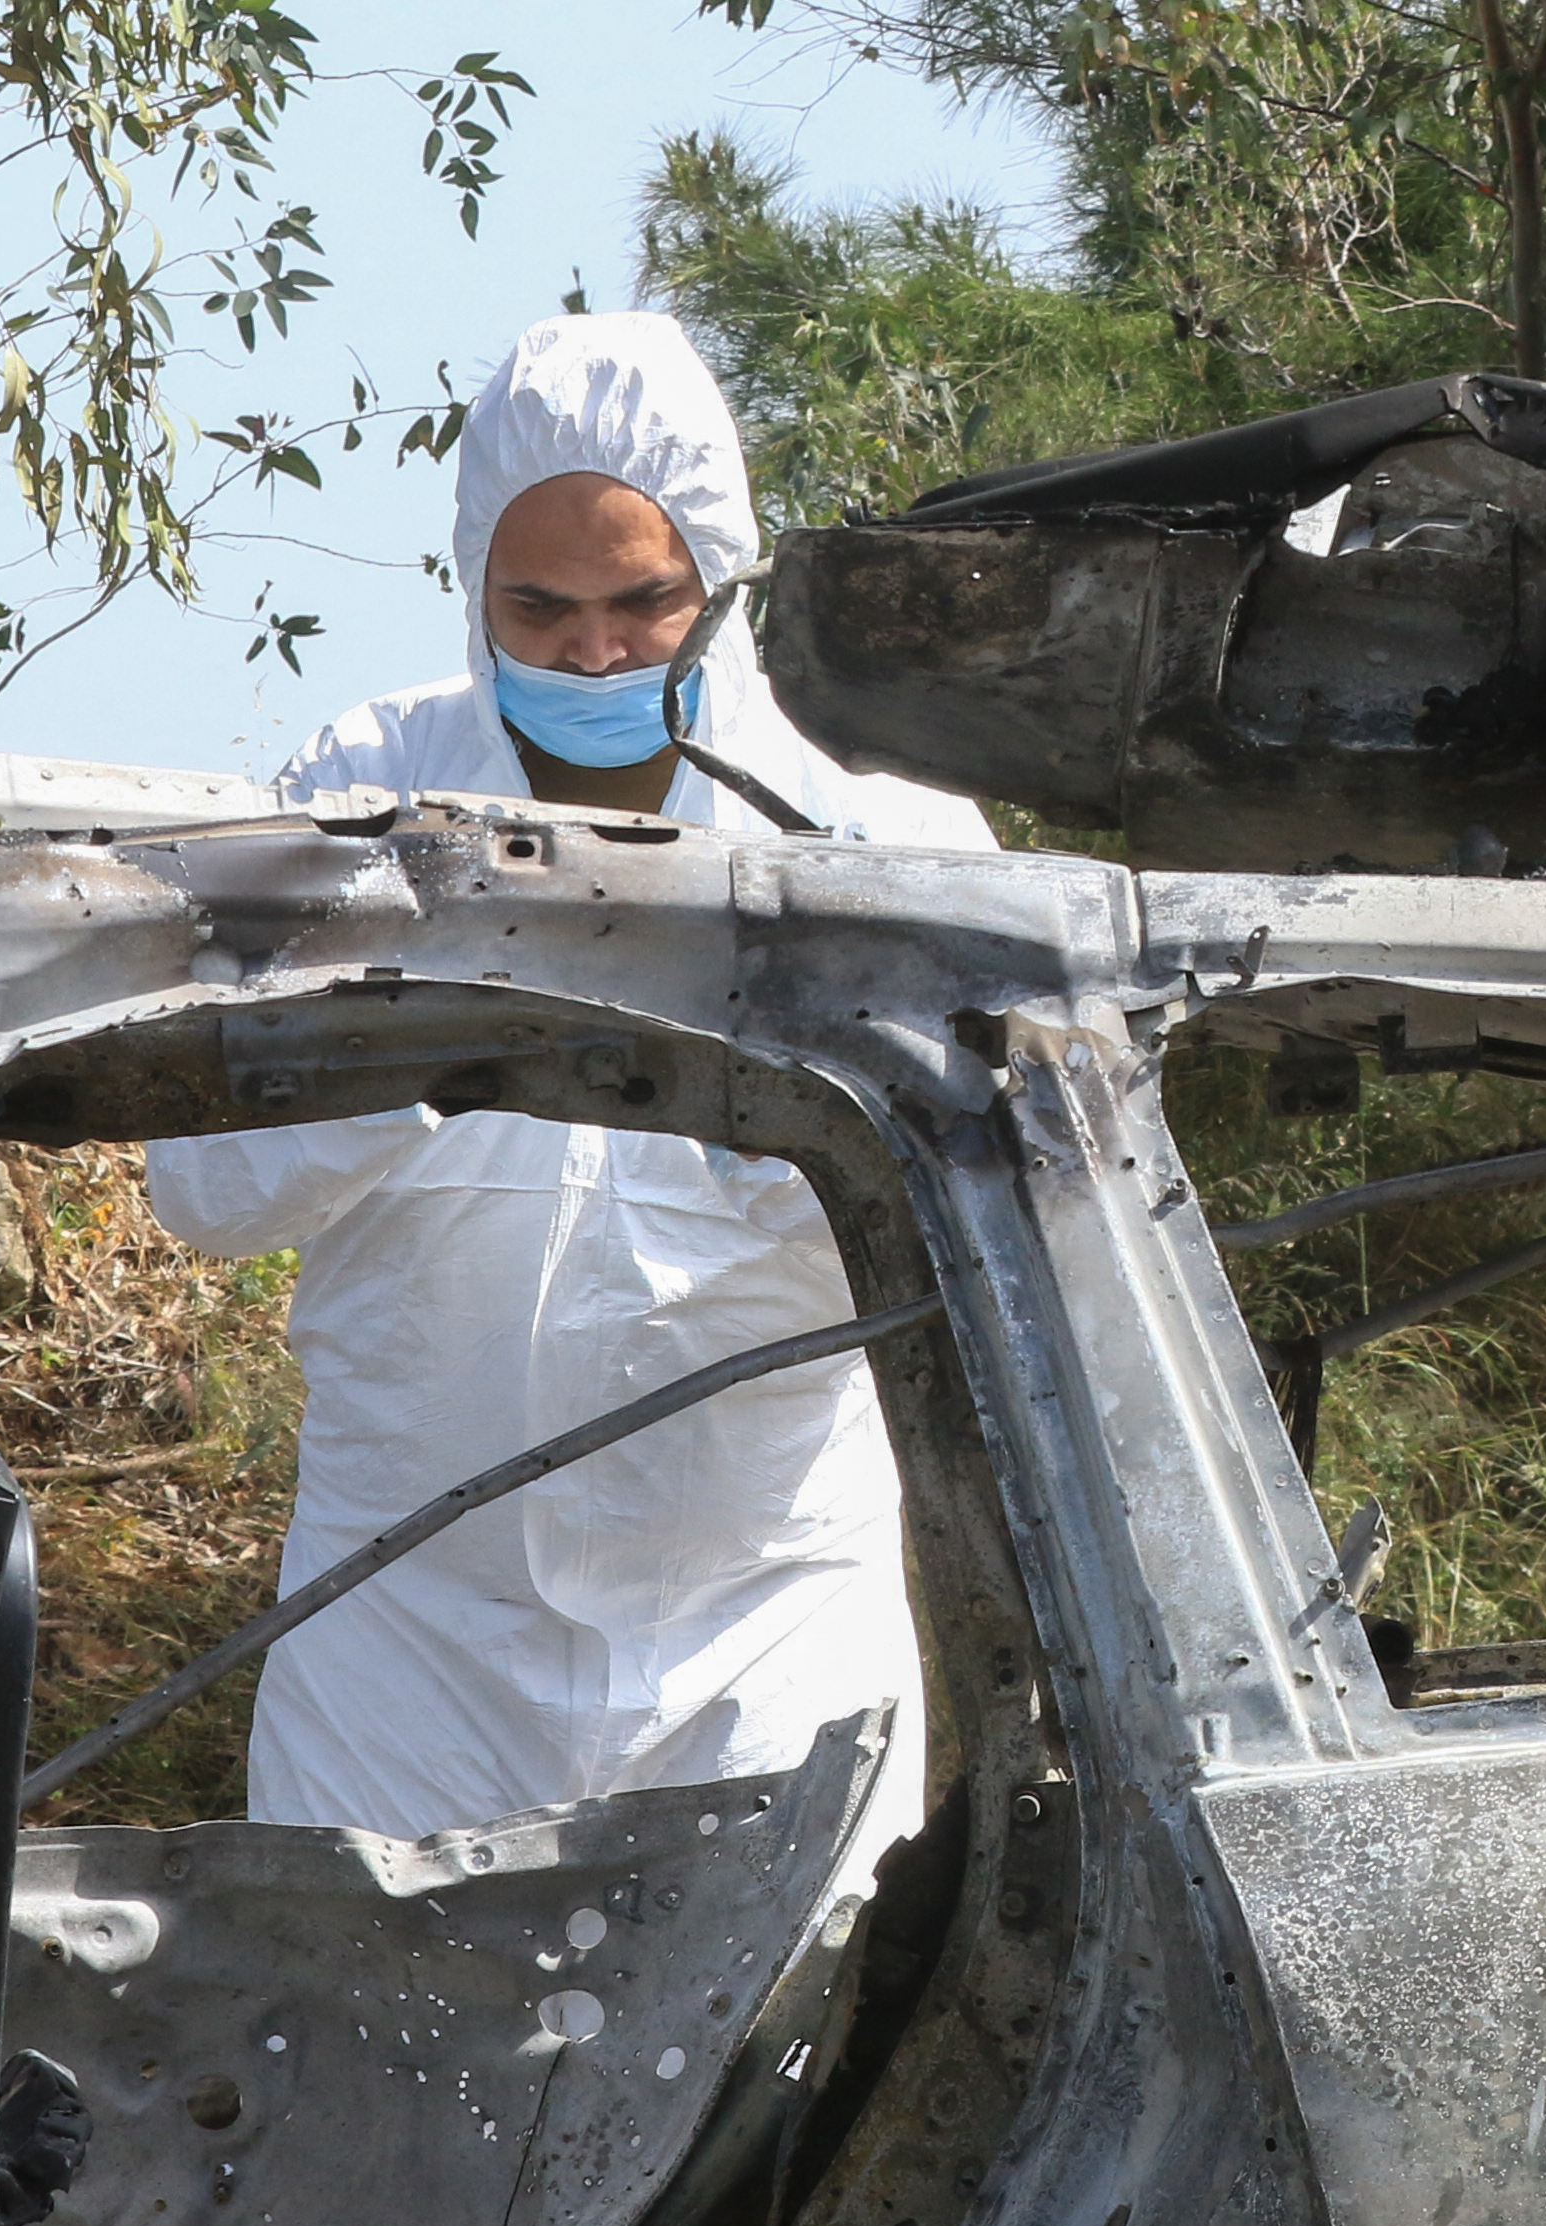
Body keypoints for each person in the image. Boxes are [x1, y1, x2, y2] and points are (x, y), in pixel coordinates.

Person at [146, 311, 991, 1855]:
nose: (594, 653)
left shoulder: (868, 828)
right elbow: (199, 1186)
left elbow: (985, 1218)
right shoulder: (361, 798)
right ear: (473, 580)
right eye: (540, 610)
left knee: (795, 2076)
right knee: (374, 2062)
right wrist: (432, 1049)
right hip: (400, 1634)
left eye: (643, 604)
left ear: (722, 574)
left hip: (765, 1626)